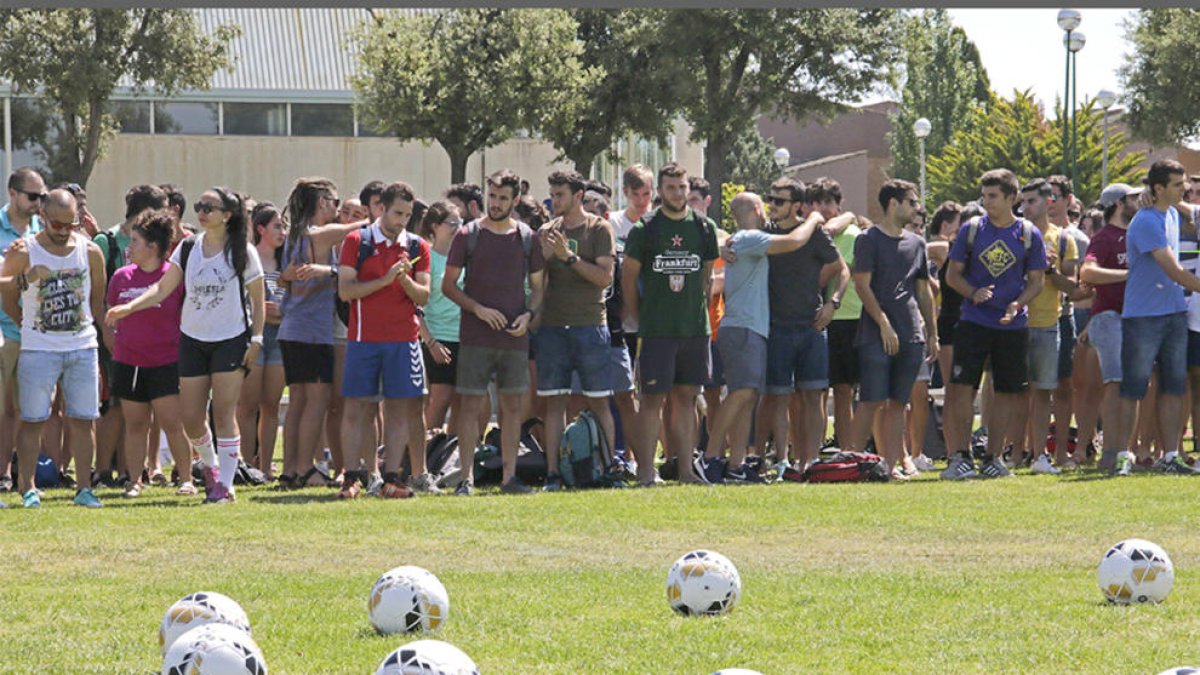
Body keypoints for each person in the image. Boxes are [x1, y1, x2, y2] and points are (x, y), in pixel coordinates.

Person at [106, 187, 266, 504]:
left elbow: (259, 301)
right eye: (199, 205)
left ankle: (226, 486)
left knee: (223, 412)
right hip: (192, 340)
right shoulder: (188, 248)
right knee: (192, 417)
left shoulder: (243, 251)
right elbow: (163, 288)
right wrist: (129, 307)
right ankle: (212, 467)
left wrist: (257, 339)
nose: (202, 211)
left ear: (227, 215)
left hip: (230, 339)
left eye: (209, 207)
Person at [696, 192, 823, 483]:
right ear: (756, 208)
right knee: (741, 392)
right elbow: (793, 242)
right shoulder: (749, 238)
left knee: (748, 394)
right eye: (764, 206)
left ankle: (736, 465)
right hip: (742, 328)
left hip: (749, 328)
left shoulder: (740, 240)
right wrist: (814, 218)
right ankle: (710, 457)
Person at [443, 169, 545, 495]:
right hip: (475, 336)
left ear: (515, 200)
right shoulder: (467, 234)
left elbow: (540, 287)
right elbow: (448, 286)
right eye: (492, 196)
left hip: (515, 337)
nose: (496, 203)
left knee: (513, 407)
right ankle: (465, 478)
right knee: (470, 407)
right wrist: (478, 309)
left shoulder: (528, 237)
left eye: (503, 198)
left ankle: (509, 477)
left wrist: (529, 316)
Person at [2, 189, 107, 507]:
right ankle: (28, 487)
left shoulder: (89, 252)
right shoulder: (25, 251)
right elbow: (3, 287)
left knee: (83, 418)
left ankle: (84, 488)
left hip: (82, 346)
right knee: (33, 419)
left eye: (69, 224)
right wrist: (22, 300)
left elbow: (97, 299)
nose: (63, 231)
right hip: (38, 349)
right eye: (56, 224)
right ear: (42, 218)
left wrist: (97, 330)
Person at [942, 169, 1047, 479]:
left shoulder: (1028, 234)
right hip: (974, 322)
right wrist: (973, 293)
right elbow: (952, 276)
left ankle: (993, 457)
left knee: (1007, 391)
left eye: (993, 196)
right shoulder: (971, 230)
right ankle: (959, 456)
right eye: (984, 195)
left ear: (1011, 198)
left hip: (1012, 326)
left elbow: (1037, 281)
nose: (986, 202)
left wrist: (1018, 303)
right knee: (962, 388)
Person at [622, 162, 719, 485]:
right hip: (657, 331)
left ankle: (686, 470)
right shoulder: (645, 229)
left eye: (682, 187)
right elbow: (629, 278)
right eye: (671, 188)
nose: (677, 193)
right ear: (660, 191)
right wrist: (640, 317)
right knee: (652, 400)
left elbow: (706, 277)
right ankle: (647, 471)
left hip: (694, 329)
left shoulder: (704, 228)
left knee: (687, 397)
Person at [337, 181, 433, 499]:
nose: (402, 220)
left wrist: (403, 277)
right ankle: (352, 477)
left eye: (407, 214)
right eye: (397, 213)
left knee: (399, 410)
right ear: (381, 208)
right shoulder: (357, 240)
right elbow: (346, 291)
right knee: (357, 408)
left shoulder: (418, 246)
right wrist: (384, 279)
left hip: (404, 339)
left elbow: (424, 295)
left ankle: (392, 479)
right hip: (364, 338)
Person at [1108, 160, 1200, 475]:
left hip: (1174, 313)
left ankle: (1171, 455)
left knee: (1174, 386)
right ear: (1159, 188)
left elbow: (1188, 210)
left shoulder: (1173, 213)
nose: (1184, 189)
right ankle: (1122, 455)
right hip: (1144, 317)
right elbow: (1172, 269)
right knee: (1134, 387)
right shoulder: (1146, 221)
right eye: (1177, 184)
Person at [751, 178, 846, 475]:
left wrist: (833, 303)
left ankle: (811, 461)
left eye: (779, 201)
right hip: (776, 326)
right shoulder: (765, 234)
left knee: (813, 395)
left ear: (797, 206)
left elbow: (841, 269)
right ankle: (782, 460)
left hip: (811, 327)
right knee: (777, 396)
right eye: (771, 199)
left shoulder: (815, 234)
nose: (772, 206)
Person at [534, 171, 617, 492]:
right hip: (552, 328)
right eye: (552, 194)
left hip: (590, 326)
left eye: (560, 195)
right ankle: (554, 473)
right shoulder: (546, 231)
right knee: (554, 404)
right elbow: (536, 281)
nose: (554, 201)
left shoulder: (599, 229)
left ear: (578, 196)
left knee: (599, 402)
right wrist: (541, 257)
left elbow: (604, 277)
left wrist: (567, 258)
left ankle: (607, 469)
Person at [848, 180, 937, 479]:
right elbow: (862, 285)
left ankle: (888, 467)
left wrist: (932, 333)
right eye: (911, 202)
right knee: (871, 400)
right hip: (876, 333)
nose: (916, 208)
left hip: (911, 333)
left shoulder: (917, 243)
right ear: (893, 204)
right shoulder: (868, 239)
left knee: (899, 402)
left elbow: (923, 292)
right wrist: (884, 324)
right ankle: (852, 465)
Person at [276, 178, 358, 488]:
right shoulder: (318, 234)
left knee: (298, 401)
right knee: (316, 401)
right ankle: (304, 468)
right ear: (322, 202)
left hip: (292, 328)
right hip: (311, 331)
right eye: (336, 203)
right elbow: (366, 225)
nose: (338, 210)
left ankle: (289, 469)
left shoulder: (297, 234)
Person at [104, 209, 192, 497]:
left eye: (136, 242)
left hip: (166, 361)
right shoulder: (120, 277)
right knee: (136, 424)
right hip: (128, 360)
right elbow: (111, 314)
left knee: (172, 423)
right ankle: (134, 480)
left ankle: (186, 479)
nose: (130, 248)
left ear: (153, 247)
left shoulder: (174, 276)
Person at [1014, 178, 1080, 474]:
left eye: (1032, 201)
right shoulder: (1012, 235)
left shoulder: (1063, 239)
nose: (1025, 208)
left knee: (1043, 391)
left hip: (1048, 322)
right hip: (1012, 322)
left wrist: (1050, 269)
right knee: (1014, 391)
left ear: (1048, 202)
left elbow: (1074, 287)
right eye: (1023, 202)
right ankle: (1015, 454)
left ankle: (1040, 455)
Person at [1079, 183, 1140, 471]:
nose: (1138, 201)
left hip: (1135, 319)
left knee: (1133, 387)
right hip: (1110, 317)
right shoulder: (1104, 238)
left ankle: (1123, 453)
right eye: (1133, 197)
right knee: (1115, 385)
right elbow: (1087, 272)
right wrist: (1128, 274)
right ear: (1118, 203)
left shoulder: (1137, 234)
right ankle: (1111, 453)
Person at [0, 167, 45, 495]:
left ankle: (20, 477)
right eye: (33, 196)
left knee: (27, 411)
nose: (38, 203)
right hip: (3, 333)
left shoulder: (43, 229)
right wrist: (22, 279)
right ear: (12, 193)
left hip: (34, 333)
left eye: (42, 197)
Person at [810, 177, 861, 450]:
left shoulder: (852, 235)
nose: (823, 208)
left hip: (849, 318)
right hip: (816, 319)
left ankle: (847, 449)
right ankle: (814, 450)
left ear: (839, 205)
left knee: (843, 390)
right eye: (817, 202)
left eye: (829, 202)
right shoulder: (807, 233)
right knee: (815, 390)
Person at [237, 203, 287, 481]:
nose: (283, 232)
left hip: (281, 336)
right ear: (260, 229)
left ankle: (266, 466)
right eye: (277, 226)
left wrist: (284, 311)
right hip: (254, 335)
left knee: (272, 404)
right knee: (248, 404)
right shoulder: (247, 258)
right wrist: (260, 311)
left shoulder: (286, 262)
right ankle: (245, 466)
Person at [417, 201, 465, 434]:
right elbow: (414, 308)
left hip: (465, 337)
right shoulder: (427, 258)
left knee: (461, 401)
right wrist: (430, 342)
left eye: (461, 222)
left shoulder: (465, 257)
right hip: (438, 338)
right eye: (452, 223)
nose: (458, 228)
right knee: (440, 398)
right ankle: (422, 456)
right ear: (435, 226)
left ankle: (449, 457)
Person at [610, 164, 654, 243]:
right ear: (625, 192)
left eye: (646, 194)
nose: (641, 200)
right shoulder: (612, 222)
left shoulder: (661, 223)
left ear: (652, 192)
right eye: (635, 194)